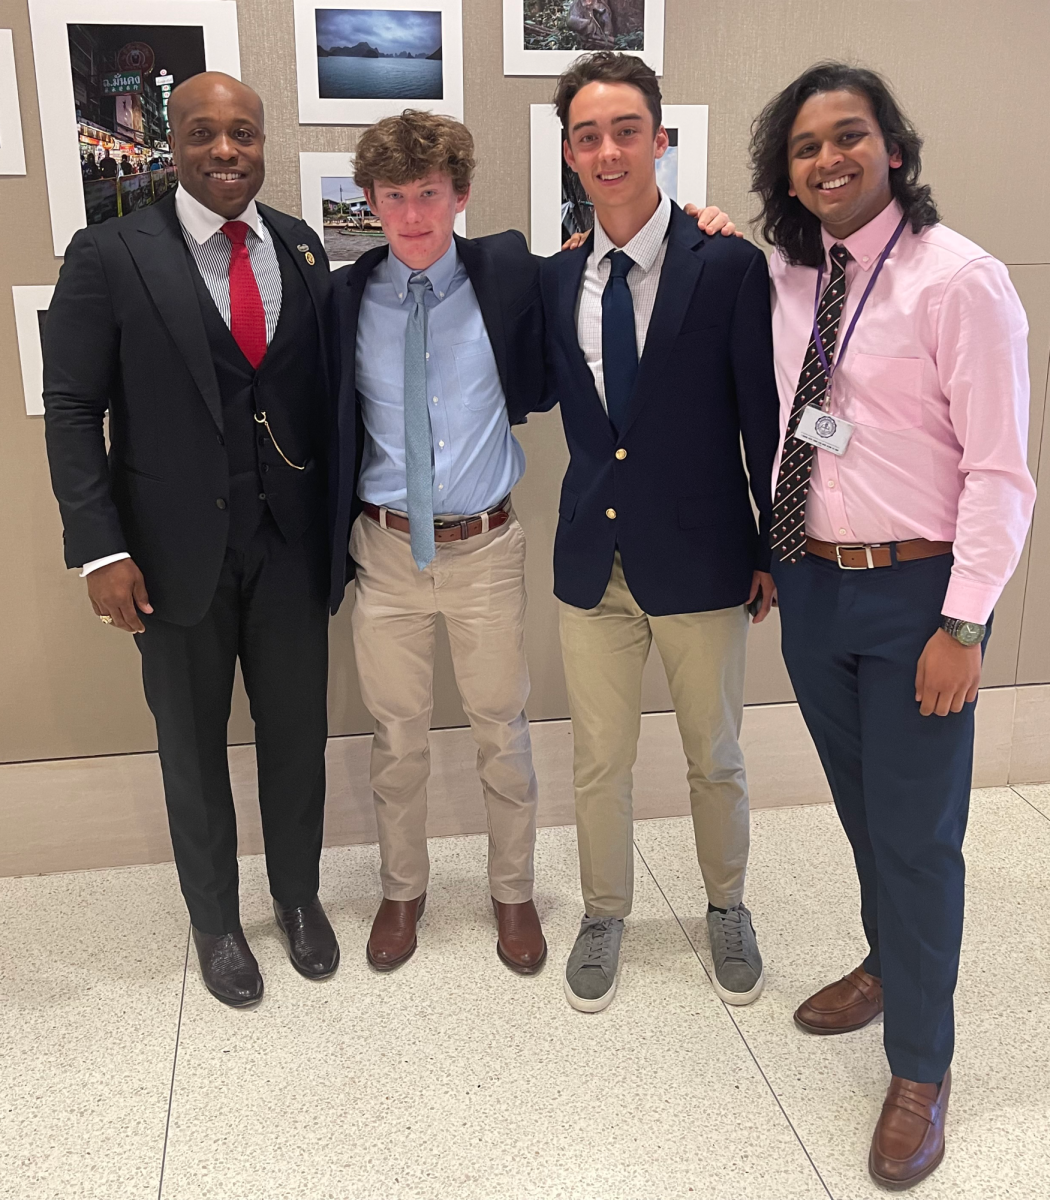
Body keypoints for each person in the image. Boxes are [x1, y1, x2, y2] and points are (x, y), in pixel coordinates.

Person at [752, 63, 1036, 1187]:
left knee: (920, 838)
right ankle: (889, 963)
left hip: (919, 600)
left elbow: (1003, 476)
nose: (828, 158)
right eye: (806, 145)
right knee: (869, 811)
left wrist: (964, 626)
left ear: (894, 150)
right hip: (813, 590)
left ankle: (924, 1061)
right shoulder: (785, 274)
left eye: (849, 136)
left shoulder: (959, 281)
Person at [43, 73, 340, 1008]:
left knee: (298, 737)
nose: (226, 151)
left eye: (243, 134)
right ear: (174, 144)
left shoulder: (299, 245)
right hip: (168, 559)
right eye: (205, 133)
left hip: (289, 548)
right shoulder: (108, 252)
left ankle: (297, 898)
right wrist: (98, 549)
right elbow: (71, 406)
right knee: (191, 745)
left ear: (262, 144)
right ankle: (214, 918)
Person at [540, 52, 781, 1014]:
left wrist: (771, 549)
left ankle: (727, 904)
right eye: (588, 135)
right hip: (593, 566)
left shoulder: (726, 263)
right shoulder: (560, 279)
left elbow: (762, 420)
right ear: (569, 151)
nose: (607, 151)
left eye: (625, 130)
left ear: (659, 140)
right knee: (599, 760)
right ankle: (606, 913)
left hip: (705, 559)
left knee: (713, 753)